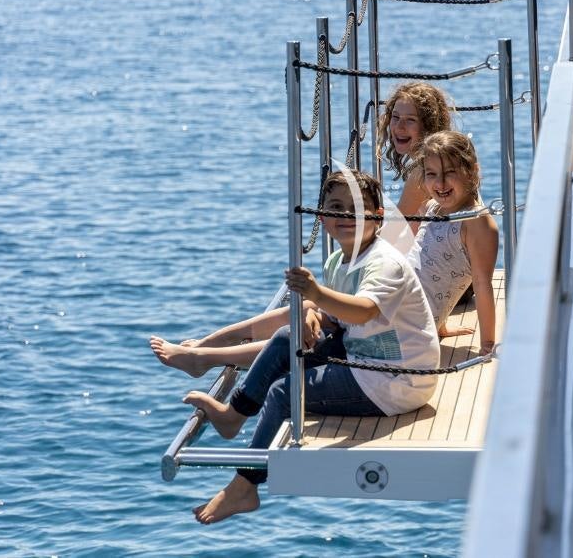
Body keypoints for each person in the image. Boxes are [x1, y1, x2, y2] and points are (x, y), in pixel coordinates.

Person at [177, 170, 439, 524]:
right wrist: (314, 316)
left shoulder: (385, 263)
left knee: (285, 392)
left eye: (357, 209)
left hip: (396, 380)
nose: (347, 215)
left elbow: (363, 311)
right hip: (363, 358)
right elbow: (337, 316)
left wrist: (315, 294)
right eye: (336, 207)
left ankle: (245, 485)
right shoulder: (339, 261)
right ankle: (233, 415)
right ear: (322, 217)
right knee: (287, 337)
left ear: (377, 217)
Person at [408, 130, 499, 355]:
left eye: (450, 172)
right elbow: (429, 266)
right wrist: (441, 326)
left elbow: (482, 284)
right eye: (431, 174)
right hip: (397, 300)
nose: (440, 183)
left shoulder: (476, 222)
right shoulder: (432, 207)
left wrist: (487, 344)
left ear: (472, 172)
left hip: (405, 320)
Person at [376, 82, 453, 231]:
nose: (399, 127)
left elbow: (391, 234)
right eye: (395, 117)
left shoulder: (423, 173)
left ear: (428, 126)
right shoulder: (446, 160)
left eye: (410, 120)